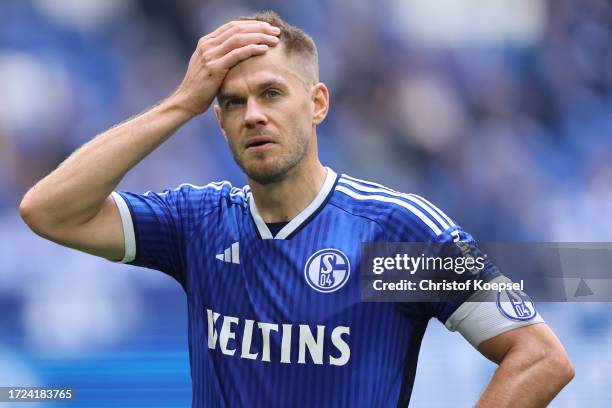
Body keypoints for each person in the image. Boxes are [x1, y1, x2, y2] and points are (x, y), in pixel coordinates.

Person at [19, 10, 574, 407]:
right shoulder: (197, 224)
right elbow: (49, 211)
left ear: (317, 104)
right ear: (219, 121)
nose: (252, 114)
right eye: (233, 102)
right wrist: (182, 102)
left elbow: (540, 358)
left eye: (271, 93)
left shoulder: (395, 236)